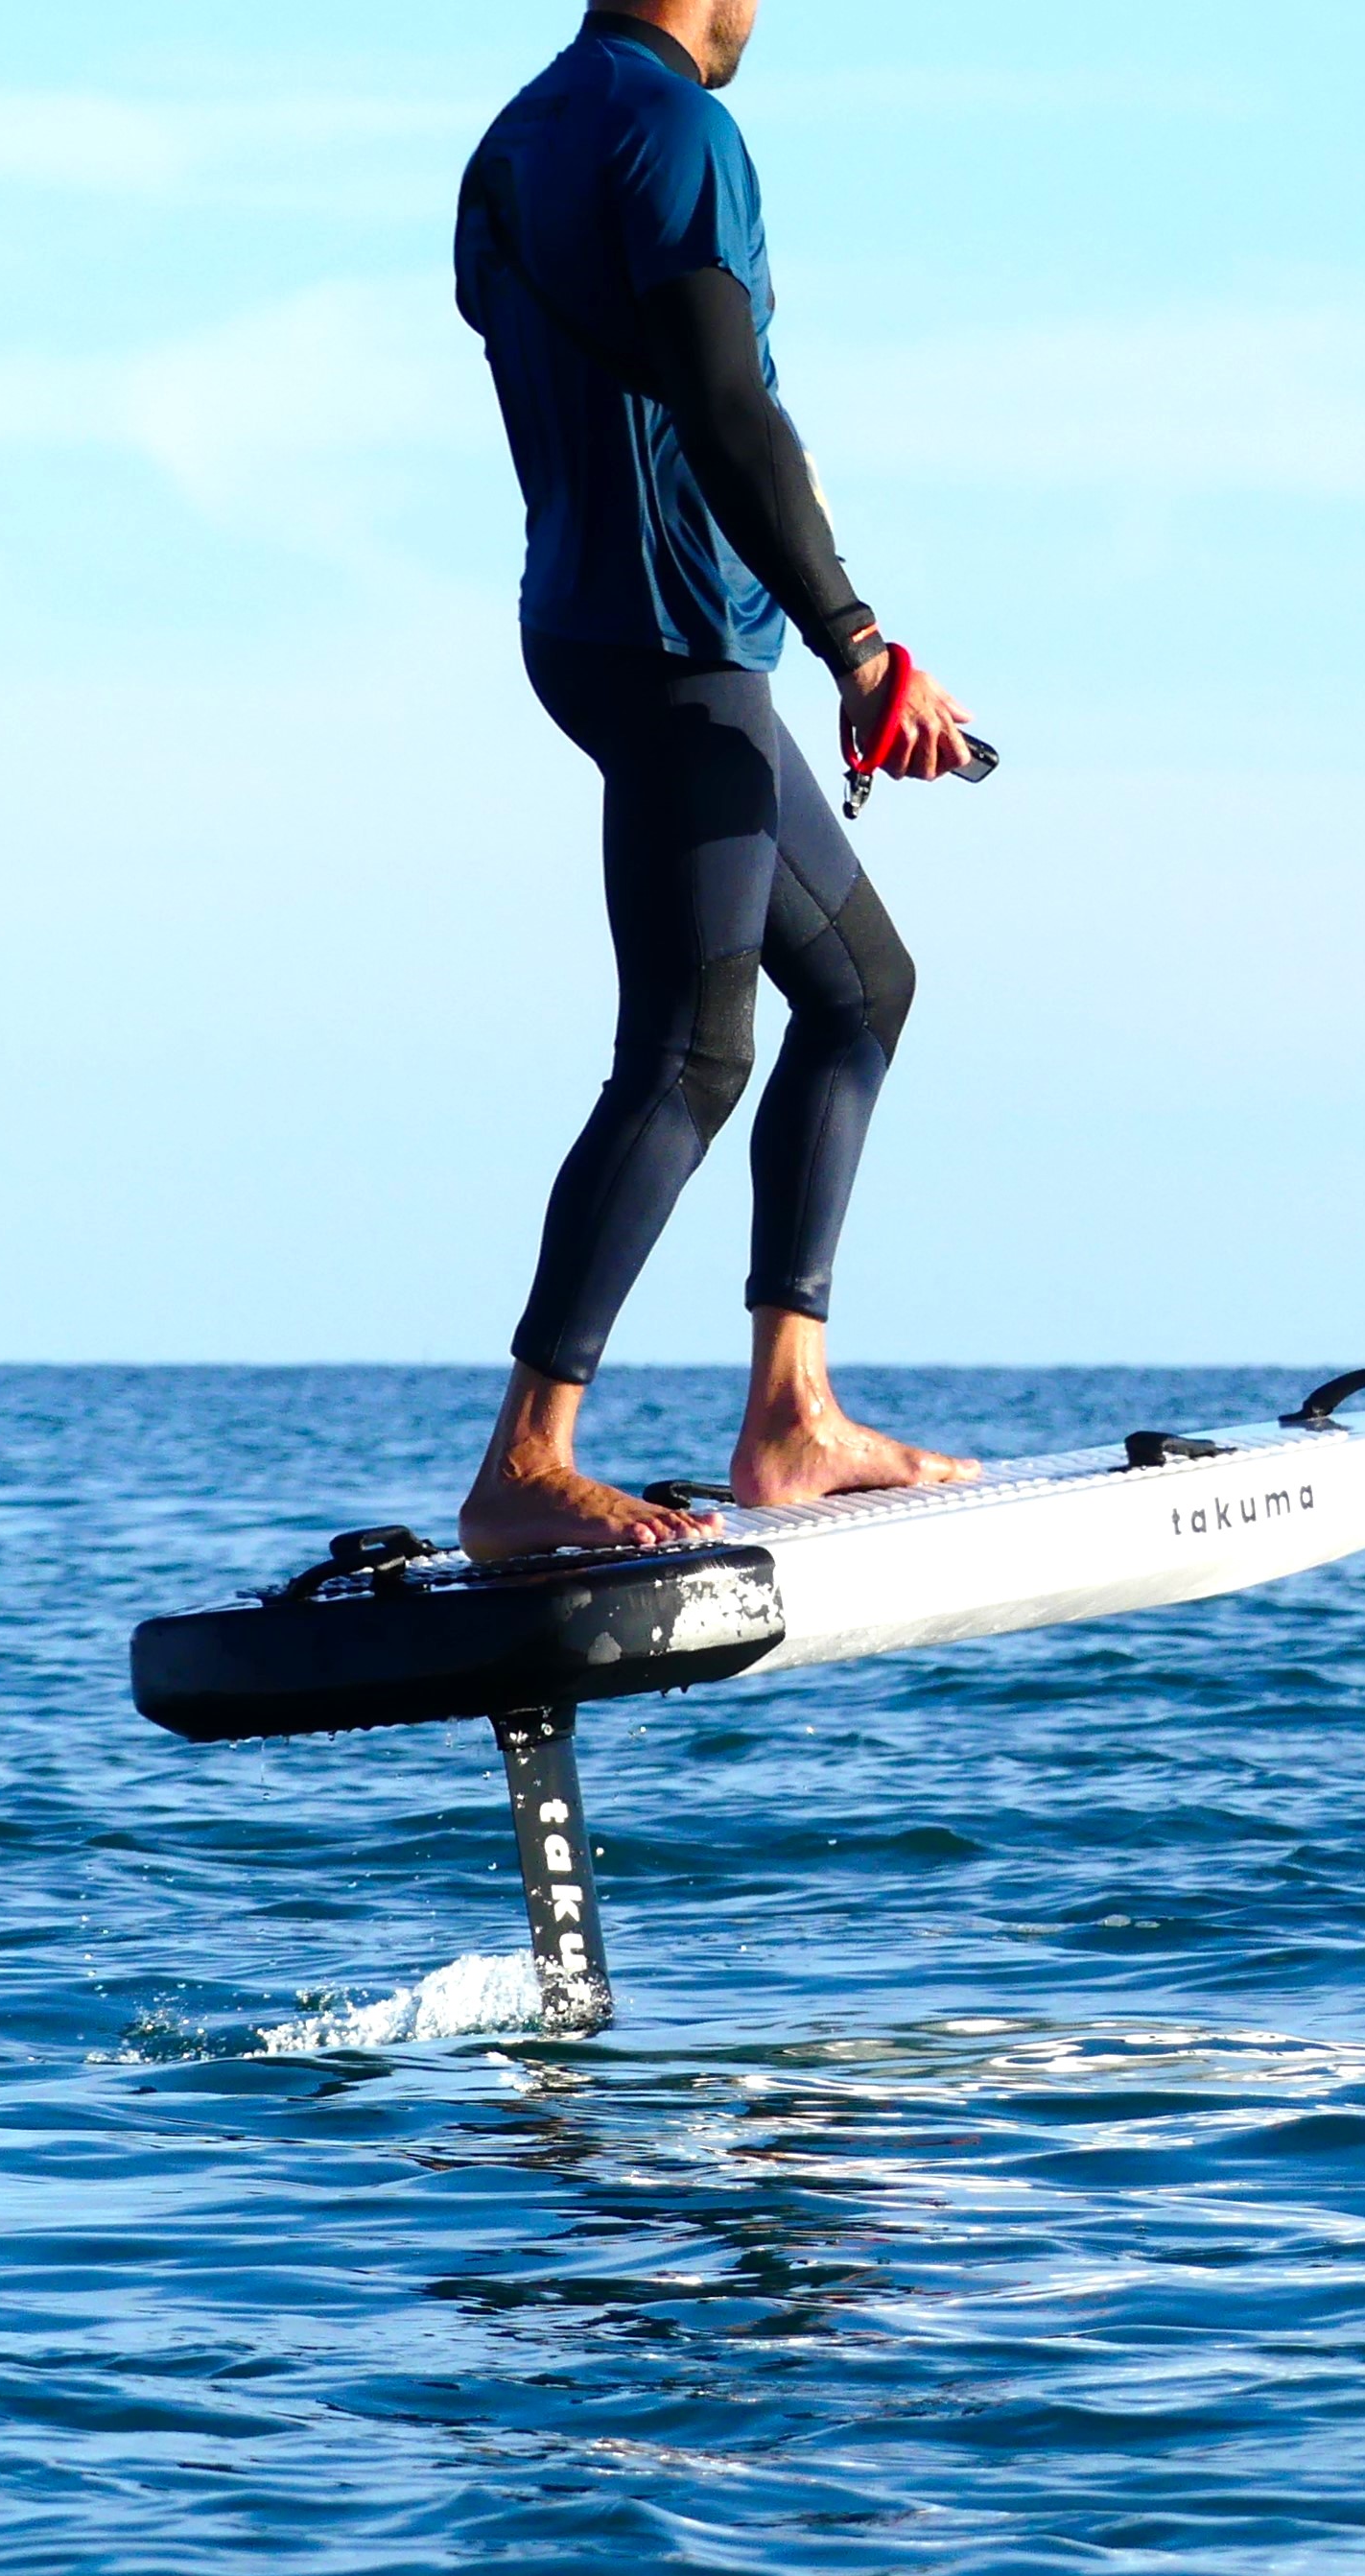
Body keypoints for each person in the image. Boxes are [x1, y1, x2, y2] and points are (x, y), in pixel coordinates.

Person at [450, 0, 983, 1561]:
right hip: (676, 637)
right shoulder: (677, 133)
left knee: (861, 987)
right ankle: (526, 1462)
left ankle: (793, 1414)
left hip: (601, 619)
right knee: (688, 1052)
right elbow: (722, 402)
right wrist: (859, 642)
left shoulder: (517, 136)